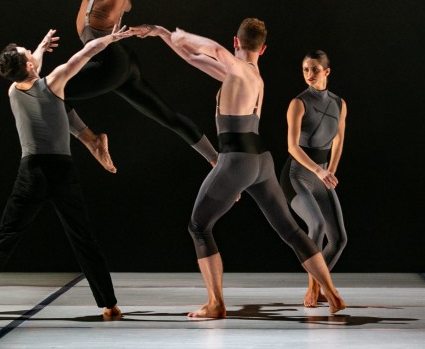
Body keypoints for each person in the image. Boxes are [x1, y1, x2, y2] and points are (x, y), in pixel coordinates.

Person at [130, 20, 345, 318]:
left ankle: (215, 304)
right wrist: (161, 33)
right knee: (291, 231)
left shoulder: (238, 68)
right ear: (263, 49)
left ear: (235, 42)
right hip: (261, 161)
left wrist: (184, 34)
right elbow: (192, 57)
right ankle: (332, 294)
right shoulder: (247, 75)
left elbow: (215, 51)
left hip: (237, 160)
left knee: (198, 227)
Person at [0, 27, 130, 321]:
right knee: (83, 239)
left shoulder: (13, 91)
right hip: (60, 171)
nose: (31, 52)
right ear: (30, 65)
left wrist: (40, 48)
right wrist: (112, 38)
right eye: (28, 53)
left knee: (5, 235)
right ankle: (109, 305)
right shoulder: (54, 82)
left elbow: (31, 74)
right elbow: (86, 53)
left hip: (30, 172)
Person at [62, 0, 218, 166]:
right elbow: (126, 3)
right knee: (167, 116)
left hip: (110, 62)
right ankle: (217, 160)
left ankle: (93, 141)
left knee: (48, 92)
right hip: (121, 64)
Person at [278, 50, 348, 307]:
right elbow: (292, 147)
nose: (309, 74)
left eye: (315, 69)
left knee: (339, 240)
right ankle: (313, 290)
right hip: (296, 176)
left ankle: (318, 287)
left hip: (321, 175)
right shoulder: (298, 103)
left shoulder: (339, 103)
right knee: (316, 225)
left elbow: (338, 140)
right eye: (305, 69)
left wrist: (330, 171)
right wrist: (319, 171)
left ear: (326, 72)